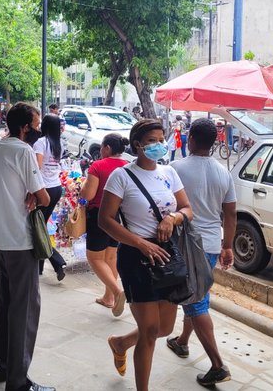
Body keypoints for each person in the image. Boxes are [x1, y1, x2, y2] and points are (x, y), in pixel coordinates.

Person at [99, 119, 194, 391]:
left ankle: (120, 343)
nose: (160, 144)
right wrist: (141, 243)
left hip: (166, 254)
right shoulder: (121, 176)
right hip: (135, 256)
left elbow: (188, 208)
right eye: (153, 140)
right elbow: (105, 220)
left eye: (162, 138)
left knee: (163, 328)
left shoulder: (169, 173)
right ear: (138, 145)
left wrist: (173, 218)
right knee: (150, 332)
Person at [0, 102, 53, 391]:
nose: (38, 128)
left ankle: (3, 366)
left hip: (2, 235)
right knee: (24, 310)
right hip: (20, 238)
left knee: (6, 303)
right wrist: (36, 194)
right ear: (26, 127)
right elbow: (45, 197)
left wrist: (30, 192)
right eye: (35, 123)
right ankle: (18, 381)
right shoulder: (24, 151)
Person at [167, 118, 237, 386]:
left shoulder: (176, 168)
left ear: (190, 139)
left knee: (196, 302)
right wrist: (227, 245)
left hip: (185, 243)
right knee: (196, 293)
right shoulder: (223, 173)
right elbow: (230, 214)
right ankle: (182, 341)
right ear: (215, 142)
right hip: (209, 244)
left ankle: (218, 365)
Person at [76, 133, 129, 314]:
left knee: (95, 258)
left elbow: (88, 195)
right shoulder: (127, 166)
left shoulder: (98, 166)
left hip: (99, 215)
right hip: (119, 216)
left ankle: (116, 291)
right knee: (111, 257)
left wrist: (82, 185)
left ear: (107, 148)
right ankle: (109, 297)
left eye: (101, 147)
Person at [33, 114, 68, 280]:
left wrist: (32, 190)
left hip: (44, 189)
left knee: (36, 227)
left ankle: (57, 261)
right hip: (56, 188)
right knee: (41, 225)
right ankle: (40, 267)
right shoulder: (58, 143)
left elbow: (37, 167)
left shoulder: (41, 143)